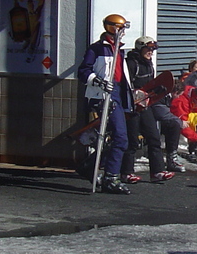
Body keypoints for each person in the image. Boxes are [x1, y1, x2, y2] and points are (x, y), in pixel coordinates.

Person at [77, 14, 133, 195]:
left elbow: (121, 76)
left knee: (117, 138)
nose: (123, 33)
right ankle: (111, 177)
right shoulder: (98, 49)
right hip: (103, 95)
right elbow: (83, 71)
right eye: (121, 29)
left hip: (117, 94)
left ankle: (90, 166)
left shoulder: (119, 50)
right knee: (120, 137)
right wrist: (98, 81)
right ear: (113, 28)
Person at [122, 36, 183, 182]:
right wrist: (134, 96)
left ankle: (157, 171)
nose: (151, 52)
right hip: (132, 106)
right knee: (132, 140)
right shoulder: (131, 64)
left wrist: (158, 89)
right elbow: (124, 85)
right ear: (140, 48)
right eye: (148, 49)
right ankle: (126, 172)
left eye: (152, 50)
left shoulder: (149, 64)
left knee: (153, 137)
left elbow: (150, 84)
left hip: (145, 105)